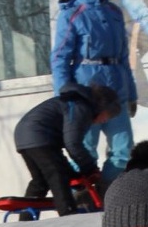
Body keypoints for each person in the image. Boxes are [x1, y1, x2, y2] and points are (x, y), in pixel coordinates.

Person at [53, 0, 138, 183]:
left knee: (124, 150)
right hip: (86, 96)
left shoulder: (114, 13)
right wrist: (64, 95)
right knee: (85, 150)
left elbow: (122, 58)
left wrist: (131, 94)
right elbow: (60, 58)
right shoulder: (72, 14)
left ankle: (107, 193)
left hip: (116, 93)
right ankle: (81, 196)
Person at [12, 84, 121, 215]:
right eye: (107, 116)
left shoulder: (75, 102)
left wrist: (76, 175)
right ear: (102, 107)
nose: (104, 121)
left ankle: (25, 221)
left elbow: (66, 146)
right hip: (40, 136)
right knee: (57, 175)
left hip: (24, 136)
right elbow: (73, 143)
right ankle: (68, 214)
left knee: (40, 181)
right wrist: (90, 168)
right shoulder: (81, 108)